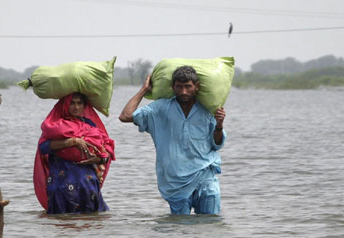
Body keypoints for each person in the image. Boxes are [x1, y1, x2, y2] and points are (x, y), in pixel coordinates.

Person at [119, 66, 226, 215]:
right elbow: (125, 115)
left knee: (209, 226)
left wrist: (219, 125)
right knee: (179, 228)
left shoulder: (208, 110)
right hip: (175, 180)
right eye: (179, 87)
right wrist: (144, 90)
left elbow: (217, 143)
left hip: (204, 176)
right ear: (173, 87)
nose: (183, 92)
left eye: (188, 87)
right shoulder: (160, 108)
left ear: (197, 87)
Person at [34, 92, 115, 214]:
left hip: (87, 185)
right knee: (61, 224)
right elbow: (44, 147)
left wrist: (98, 159)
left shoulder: (90, 125)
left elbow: (105, 149)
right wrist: (72, 141)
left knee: (91, 224)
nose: (76, 107)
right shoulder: (55, 127)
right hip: (61, 184)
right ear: (65, 105)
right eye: (72, 103)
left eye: (79, 103)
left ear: (84, 106)